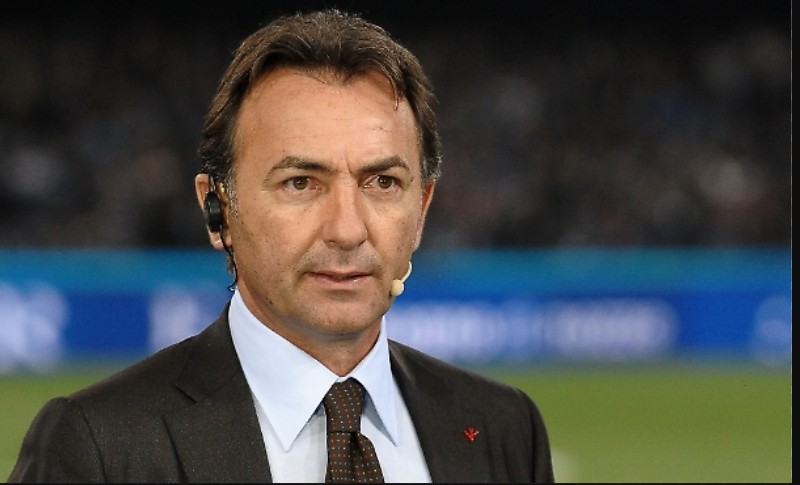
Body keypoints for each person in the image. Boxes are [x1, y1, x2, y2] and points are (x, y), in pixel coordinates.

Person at [8, 9, 554, 483]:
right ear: (217, 209)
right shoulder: (99, 446)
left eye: (382, 182)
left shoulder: (504, 428)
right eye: (300, 183)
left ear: (423, 207)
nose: (347, 230)